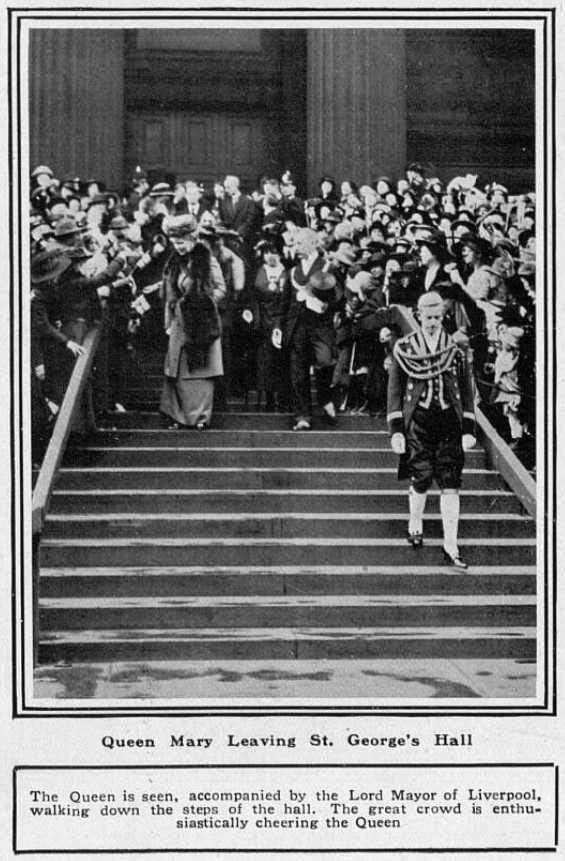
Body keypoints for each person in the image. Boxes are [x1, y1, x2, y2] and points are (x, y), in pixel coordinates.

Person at [387, 291, 476, 569]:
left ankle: (451, 544)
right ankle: (415, 522)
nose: (433, 322)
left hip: (449, 420)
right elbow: (395, 391)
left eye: (438, 317)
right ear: (418, 315)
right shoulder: (405, 348)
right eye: (428, 317)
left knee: (451, 481)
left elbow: (466, 390)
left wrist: (468, 428)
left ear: (444, 316)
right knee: (421, 475)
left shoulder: (455, 349)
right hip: (420, 420)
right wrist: (397, 430)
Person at [160, 215, 226, 430]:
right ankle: (179, 416)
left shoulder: (207, 260)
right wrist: (169, 323)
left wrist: (203, 305)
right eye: (174, 243)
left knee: (200, 371)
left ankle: (200, 417)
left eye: (180, 243)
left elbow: (220, 289)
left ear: (191, 239)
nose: (177, 247)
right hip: (179, 322)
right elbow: (169, 295)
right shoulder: (174, 262)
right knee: (178, 371)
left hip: (201, 323)